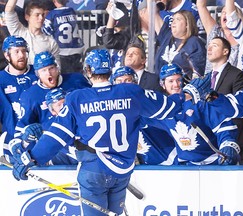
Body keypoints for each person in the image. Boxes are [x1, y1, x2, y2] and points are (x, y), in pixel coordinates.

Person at [9, 49, 184, 216]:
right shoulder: (131, 92)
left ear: (88, 71)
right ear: (110, 69)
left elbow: (57, 136)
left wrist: (30, 158)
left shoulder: (77, 98)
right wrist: (185, 95)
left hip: (93, 171)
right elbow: (168, 108)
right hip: (122, 173)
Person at [141, 63, 240, 165]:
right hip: (186, 166)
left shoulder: (200, 103)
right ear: (163, 84)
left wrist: (228, 145)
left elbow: (223, 125)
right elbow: (138, 119)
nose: (175, 84)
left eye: (178, 80)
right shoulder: (162, 109)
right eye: (170, 81)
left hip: (213, 163)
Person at [13, 51, 91, 144]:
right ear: (38, 74)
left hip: (82, 139)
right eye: (43, 70)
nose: (49, 73)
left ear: (57, 68)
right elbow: (21, 128)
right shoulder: (30, 96)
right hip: (53, 146)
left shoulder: (77, 80)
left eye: (51, 68)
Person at [0, 35, 38, 163]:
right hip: (12, 143)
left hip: (41, 141)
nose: (21, 55)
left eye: (23, 51)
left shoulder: (39, 72)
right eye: (16, 51)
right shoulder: (1, 80)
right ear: (7, 55)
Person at [148, 0, 206, 77]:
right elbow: (153, 13)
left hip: (182, 86)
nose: (173, 22)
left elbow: (198, 71)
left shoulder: (194, 42)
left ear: (187, 24)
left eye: (178, 19)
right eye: (173, 20)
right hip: (161, 86)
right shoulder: (166, 36)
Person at [196, 0, 243, 73]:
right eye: (223, 12)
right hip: (210, 82)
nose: (225, 14)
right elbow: (200, 5)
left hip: (234, 82)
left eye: (228, 12)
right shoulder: (215, 32)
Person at [5, 0, 60, 65]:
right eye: (37, 15)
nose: (41, 18)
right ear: (27, 17)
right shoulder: (18, 32)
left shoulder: (51, 42)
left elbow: (57, 68)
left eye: (43, 15)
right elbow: (9, 11)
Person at [42, 0, 85, 73]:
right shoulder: (71, 11)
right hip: (77, 49)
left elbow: (46, 31)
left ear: (54, 1)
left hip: (62, 51)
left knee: (65, 76)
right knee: (76, 74)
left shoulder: (52, 14)